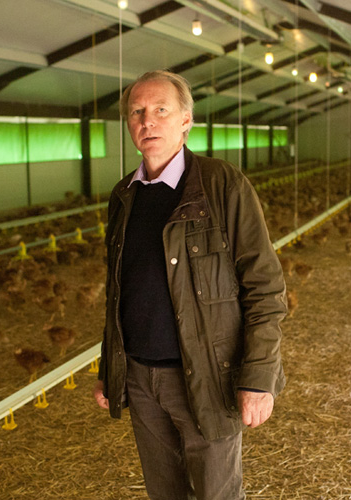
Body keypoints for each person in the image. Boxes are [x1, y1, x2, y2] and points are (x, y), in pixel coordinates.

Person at [92, 69, 287, 500]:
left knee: (217, 492)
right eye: (137, 112)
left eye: (161, 110)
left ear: (185, 121)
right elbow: (118, 293)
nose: (148, 121)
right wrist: (112, 369)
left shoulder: (222, 185)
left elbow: (265, 286)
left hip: (206, 376)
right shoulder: (123, 195)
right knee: (164, 492)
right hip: (143, 379)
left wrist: (259, 377)